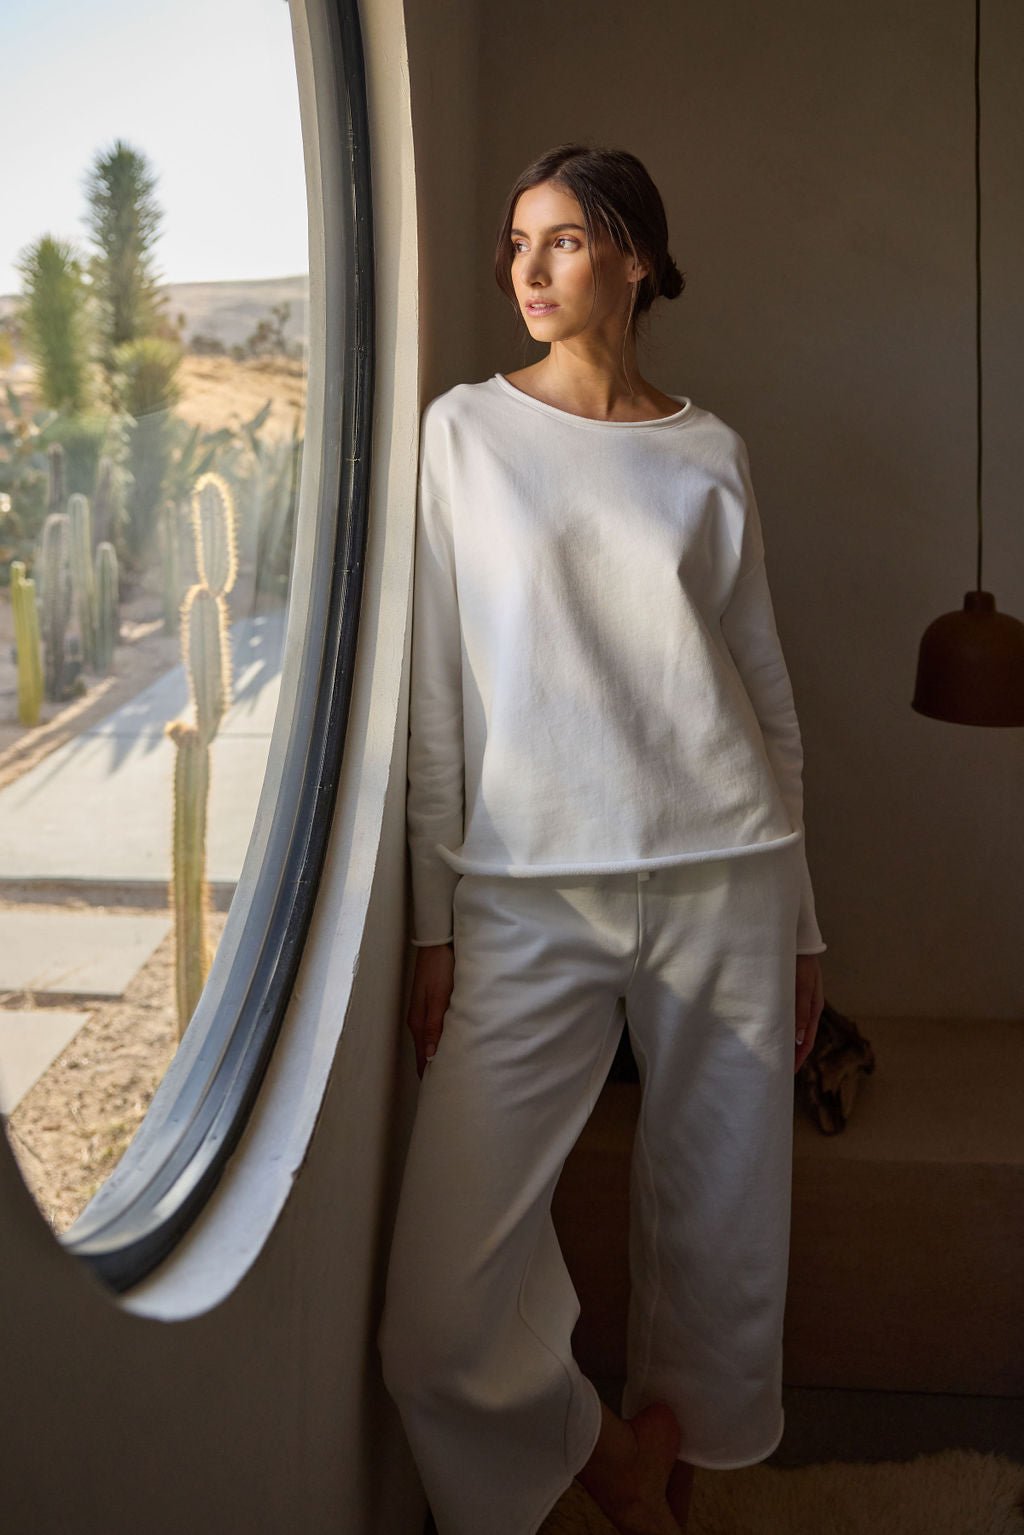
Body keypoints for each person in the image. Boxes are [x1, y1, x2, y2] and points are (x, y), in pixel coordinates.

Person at [378, 142, 826, 1535]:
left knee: (720, 1226)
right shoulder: (464, 434)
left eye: (562, 240)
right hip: (528, 895)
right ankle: (606, 1460)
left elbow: (766, 701)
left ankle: (676, 1485)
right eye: (516, 242)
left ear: (636, 255)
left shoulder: (709, 451)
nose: (526, 269)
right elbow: (439, 699)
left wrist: (807, 926)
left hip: (729, 876)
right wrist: (436, 917)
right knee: (439, 1319)